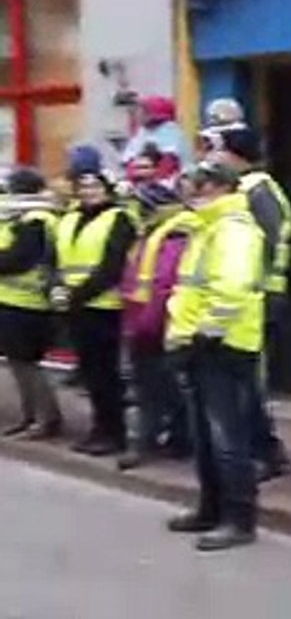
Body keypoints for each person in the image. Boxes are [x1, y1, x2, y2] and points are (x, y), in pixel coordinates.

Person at [164, 161, 267, 552]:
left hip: (223, 346)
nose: (191, 192)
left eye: (198, 185)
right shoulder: (208, 227)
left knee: (228, 436)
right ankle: (210, 508)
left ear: (219, 187)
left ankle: (239, 519)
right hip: (202, 343)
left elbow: (232, 289)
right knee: (206, 435)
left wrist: (206, 334)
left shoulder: (233, 229)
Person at [203, 123, 291, 481]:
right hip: (249, 292)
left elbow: (265, 243)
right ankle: (257, 448)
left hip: (260, 293)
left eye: (219, 149)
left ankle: (266, 452)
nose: (214, 157)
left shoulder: (259, 190)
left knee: (250, 380)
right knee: (244, 380)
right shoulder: (245, 188)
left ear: (234, 154)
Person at [52, 170, 137, 456]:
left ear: (108, 189)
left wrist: (76, 295)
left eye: (95, 186)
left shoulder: (119, 218)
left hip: (103, 306)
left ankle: (114, 433)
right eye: (83, 186)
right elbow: (56, 259)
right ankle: (99, 428)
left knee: (106, 375)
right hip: (74, 305)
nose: (89, 191)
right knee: (89, 374)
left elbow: (112, 266)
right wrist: (57, 287)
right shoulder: (70, 218)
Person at [118, 183, 198, 471]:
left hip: (155, 325)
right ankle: (180, 439)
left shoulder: (172, 238)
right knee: (164, 386)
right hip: (146, 322)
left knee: (151, 388)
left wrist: (144, 324)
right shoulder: (154, 235)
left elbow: (161, 286)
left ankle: (145, 443)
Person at [0, 168, 63, 439]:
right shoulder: (18, 217)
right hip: (13, 300)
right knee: (18, 362)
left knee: (27, 362)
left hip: (29, 302)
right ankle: (31, 417)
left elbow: (20, 259)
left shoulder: (36, 219)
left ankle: (45, 419)